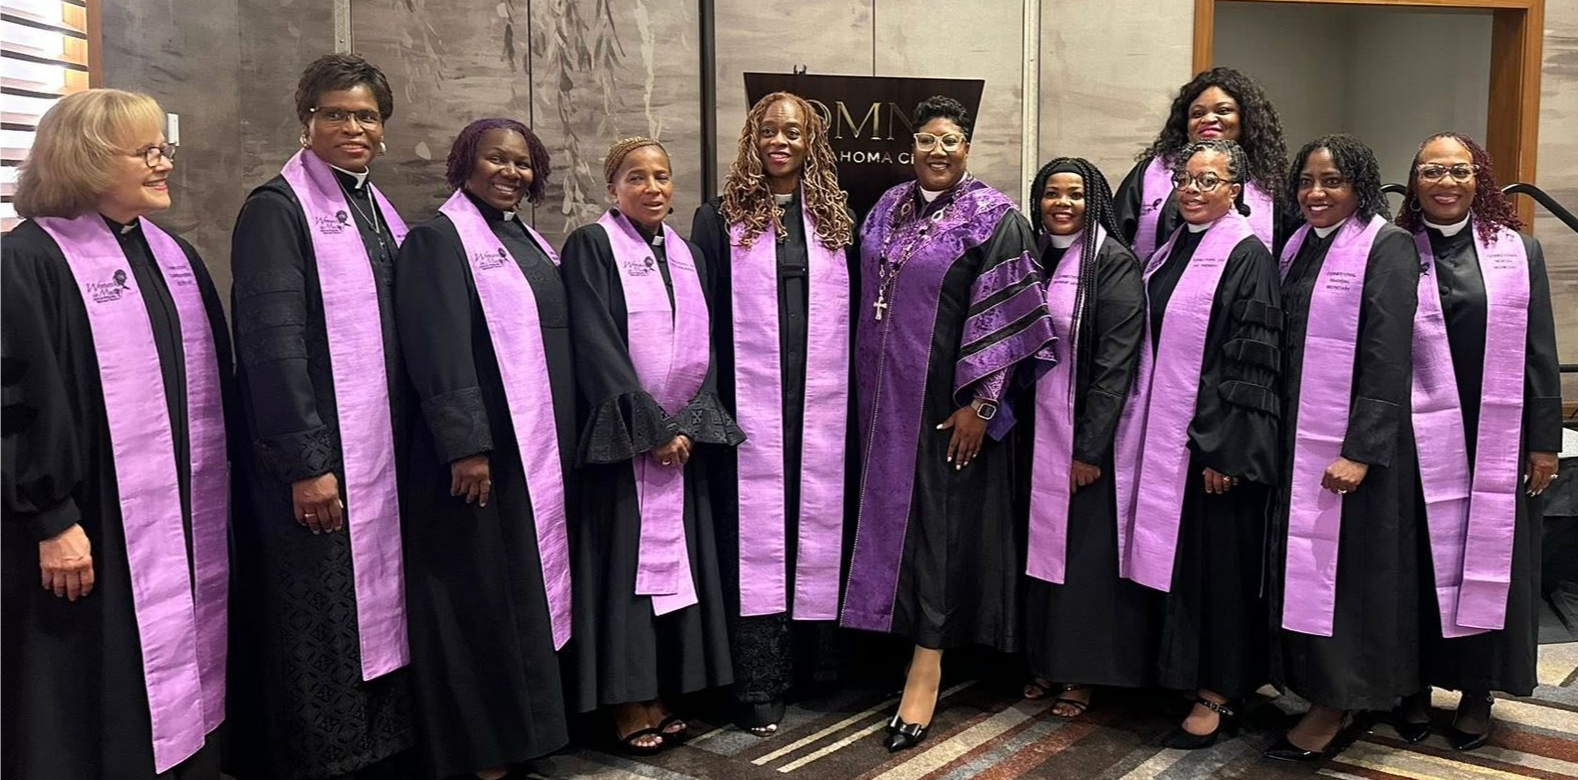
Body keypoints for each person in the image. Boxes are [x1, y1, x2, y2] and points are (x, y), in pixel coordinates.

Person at [0, 88, 231, 780]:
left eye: (164, 147)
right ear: (88, 160)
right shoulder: (28, 261)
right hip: (86, 520)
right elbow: (15, 400)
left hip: (174, 519)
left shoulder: (172, 255)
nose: (165, 163)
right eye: (147, 151)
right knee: (87, 690)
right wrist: (52, 518)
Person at [841, 95, 1058, 753]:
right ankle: (888, 644)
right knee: (888, 523)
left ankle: (928, 667)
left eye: (950, 141)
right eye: (927, 140)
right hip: (878, 402)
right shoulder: (887, 206)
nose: (938, 151)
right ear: (911, 146)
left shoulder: (994, 219)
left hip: (944, 406)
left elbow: (1010, 321)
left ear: (967, 148)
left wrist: (982, 405)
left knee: (937, 528)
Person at [227, 53, 415, 779]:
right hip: (317, 457)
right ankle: (324, 758)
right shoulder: (276, 210)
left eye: (366, 115)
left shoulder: (374, 207)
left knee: (377, 605)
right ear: (306, 120)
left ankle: (382, 747)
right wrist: (307, 464)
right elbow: (271, 346)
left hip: (379, 453)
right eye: (335, 114)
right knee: (320, 613)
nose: (353, 127)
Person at [394, 118, 572, 779]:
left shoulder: (526, 238)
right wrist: (466, 445)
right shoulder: (439, 240)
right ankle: (485, 751)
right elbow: (435, 348)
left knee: (521, 592)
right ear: (466, 162)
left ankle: (528, 735)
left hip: (534, 450)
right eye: (497, 159)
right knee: (482, 596)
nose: (510, 172)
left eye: (522, 163)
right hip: (482, 458)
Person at [562, 136, 742, 753]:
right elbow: (595, 341)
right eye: (636, 177)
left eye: (661, 176)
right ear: (612, 187)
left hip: (678, 447)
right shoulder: (592, 245)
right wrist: (652, 429)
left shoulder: (689, 255)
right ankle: (625, 698)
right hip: (624, 446)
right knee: (622, 571)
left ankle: (661, 688)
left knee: (675, 570)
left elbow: (707, 346)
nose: (652, 187)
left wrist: (688, 423)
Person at [691, 92, 859, 736]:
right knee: (755, 538)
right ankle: (759, 682)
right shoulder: (719, 218)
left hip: (821, 407)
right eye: (768, 130)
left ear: (812, 141)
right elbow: (700, 320)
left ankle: (818, 666)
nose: (780, 141)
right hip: (749, 410)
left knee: (815, 524)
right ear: (751, 138)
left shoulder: (837, 217)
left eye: (793, 131)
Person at [1112, 139, 1282, 749]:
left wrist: (1225, 447)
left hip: (1214, 447)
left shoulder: (1247, 254)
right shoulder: (1171, 248)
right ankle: (1186, 673)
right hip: (1169, 436)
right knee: (1187, 566)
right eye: (1186, 179)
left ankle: (1219, 689)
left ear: (1235, 190)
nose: (1192, 189)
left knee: (1219, 571)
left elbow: (1251, 360)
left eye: (1208, 181)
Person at [1392, 132, 1560, 751]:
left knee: (1489, 564)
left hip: (1497, 434)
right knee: (1416, 561)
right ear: (1414, 182)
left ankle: (1477, 690)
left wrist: (1544, 441)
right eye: (1431, 170)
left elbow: (1540, 349)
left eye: (1459, 171)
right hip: (1414, 437)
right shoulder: (1392, 251)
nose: (1446, 182)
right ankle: (1410, 685)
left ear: (1478, 179)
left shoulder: (1519, 251)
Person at [1264, 135, 1422, 762]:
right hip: (1296, 437)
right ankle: (1308, 683)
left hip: (1353, 447)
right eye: (1306, 181)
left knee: (1347, 575)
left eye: (1331, 181)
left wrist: (1360, 450)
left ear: (1360, 184)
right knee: (1302, 566)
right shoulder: (1298, 245)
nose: (1315, 193)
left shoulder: (1388, 246)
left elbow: (1389, 355)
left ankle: (1341, 699)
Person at [1017, 157, 1151, 718]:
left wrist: (1089, 449)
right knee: (1038, 552)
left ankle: (1082, 672)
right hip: (1032, 432)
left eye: (1075, 194)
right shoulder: (1032, 255)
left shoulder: (1112, 263)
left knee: (1082, 559)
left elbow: (1116, 364)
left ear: (1094, 200)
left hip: (1086, 437)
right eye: (1052, 193)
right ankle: (1044, 659)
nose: (1063, 204)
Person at [1115, 67, 1290, 258]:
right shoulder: (1152, 171)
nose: (1208, 119)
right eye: (1197, 114)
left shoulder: (1269, 181)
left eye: (1223, 110)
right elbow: (1117, 239)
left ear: (1245, 118)